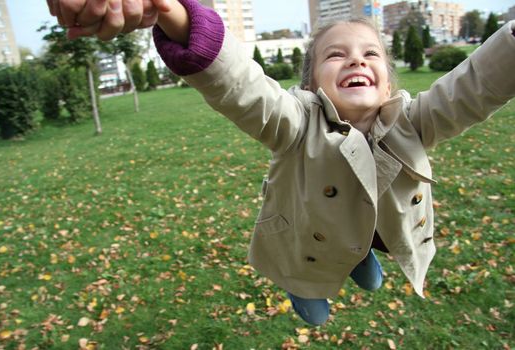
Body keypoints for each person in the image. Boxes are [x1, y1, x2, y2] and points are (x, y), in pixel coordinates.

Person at [46, 0, 515, 326]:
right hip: (305, 240)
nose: (356, 60)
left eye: (370, 54)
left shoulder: (415, 121)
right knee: (314, 291)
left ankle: (358, 256)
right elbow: (243, 87)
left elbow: (474, 85)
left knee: (365, 249)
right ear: (312, 84)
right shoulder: (294, 121)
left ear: (388, 83)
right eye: (336, 55)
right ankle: (305, 284)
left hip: (376, 224)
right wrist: (177, 15)